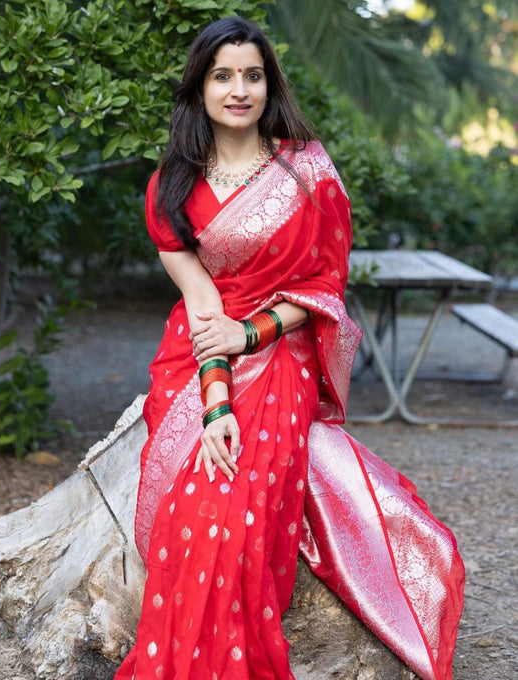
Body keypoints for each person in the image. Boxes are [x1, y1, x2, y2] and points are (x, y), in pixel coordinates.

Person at [115, 16, 464, 680]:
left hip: (282, 351)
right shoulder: (171, 187)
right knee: (195, 508)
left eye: (252, 75)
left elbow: (323, 287)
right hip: (197, 354)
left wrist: (253, 334)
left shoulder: (306, 173)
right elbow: (200, 300)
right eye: (223, 76)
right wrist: (216, 403)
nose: (238, 89)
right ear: (199, 88)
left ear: (269, 85)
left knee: (234, 523)